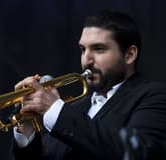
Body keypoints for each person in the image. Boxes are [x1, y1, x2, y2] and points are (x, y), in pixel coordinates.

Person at [9, 10, 166, 160]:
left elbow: (137, 152)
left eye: (98, 49)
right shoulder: (76, 108)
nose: (86, 59)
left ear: (129, 55)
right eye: (82, 50)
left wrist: (56, 111)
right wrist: (26, 132)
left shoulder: (154, 96)